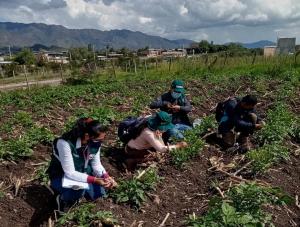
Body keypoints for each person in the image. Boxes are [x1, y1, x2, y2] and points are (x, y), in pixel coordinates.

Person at [47, 117, 117, 213]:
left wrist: (105, 176)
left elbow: (96, 164)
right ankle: (62, 199)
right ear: (87, 136)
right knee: (78, 190)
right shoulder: (65, 143)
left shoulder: (94, 144)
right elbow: (70, 173)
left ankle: (78, 196)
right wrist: (95, 180)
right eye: (99, 140)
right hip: (61, 176)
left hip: (83, 174)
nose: (101, 143)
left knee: (99, 195)